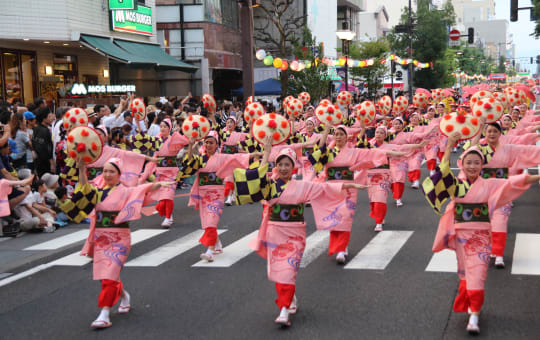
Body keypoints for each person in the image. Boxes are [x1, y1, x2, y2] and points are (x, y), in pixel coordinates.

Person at [233, 138, 367, 326]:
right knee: (280, 272)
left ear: (294, 167)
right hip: (275, 231)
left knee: (287, 270)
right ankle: (287, 302)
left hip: (295, 234)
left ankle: (284, 309)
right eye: (280, 165)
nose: (284, 168)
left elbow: (325, 188)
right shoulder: (269, 185)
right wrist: (267, 152)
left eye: (287, 164)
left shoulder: (303, 186)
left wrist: (349, 185)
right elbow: (256, 180)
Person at [422, 131, 540, 335]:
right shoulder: (457, 185)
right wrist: (449, 145)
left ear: (482, 165)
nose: (473, 166)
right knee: (466, 274)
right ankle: (469, 303)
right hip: (461, 236)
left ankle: (474, 314)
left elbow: (513, 182)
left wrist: (537, 175)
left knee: (477, 274)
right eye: (469, 162)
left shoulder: (490, 184)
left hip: (482, 237)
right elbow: (442, 173)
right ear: (462, 164)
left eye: (477, 163)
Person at [60, 157, 174, 328]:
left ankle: (104, 314)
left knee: (108, 277)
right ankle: (124, 295)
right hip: (101, 238)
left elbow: (143, 188)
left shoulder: (126, 191)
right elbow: (84, 188)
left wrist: (160, 184)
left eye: (111, 171)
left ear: (119, 174)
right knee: (105, 277)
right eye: (105, 171)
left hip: (120, 238)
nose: (107, 174)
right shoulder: (97, 191)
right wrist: (82, 168)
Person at [308, 123, 404, 263]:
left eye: (342, 134)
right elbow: (317, 155)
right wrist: (326, 132)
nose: (339, 137)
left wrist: (396, 153)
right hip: (332, 189)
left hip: (349, 189)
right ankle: (340, 246)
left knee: (345, 218)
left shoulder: (354, 151)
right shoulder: (329, 152)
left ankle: (342, 248)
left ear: (347, 137)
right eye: (336, 134)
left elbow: (374, 153)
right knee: (335, 219)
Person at [180, 131, 251, 261]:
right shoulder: (201, 159)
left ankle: (209, 251)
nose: (208, 145)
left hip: (217, 194)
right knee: (208, 223)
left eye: (211, 142)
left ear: (216, 144)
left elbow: (237, 157)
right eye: (206, 142)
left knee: (211, 221)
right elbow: (189, 164)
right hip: (203, 194)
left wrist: (259, 154)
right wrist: (190, 146)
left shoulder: (222, 157)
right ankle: (217, 244)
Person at [33, 107, 55, 176]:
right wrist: (51, 163)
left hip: (38, 162)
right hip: (45, 163)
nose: (52, 118)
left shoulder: (36, 129)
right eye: (49, 116)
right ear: (44, 118)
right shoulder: (45, 131)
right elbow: (46, 149)